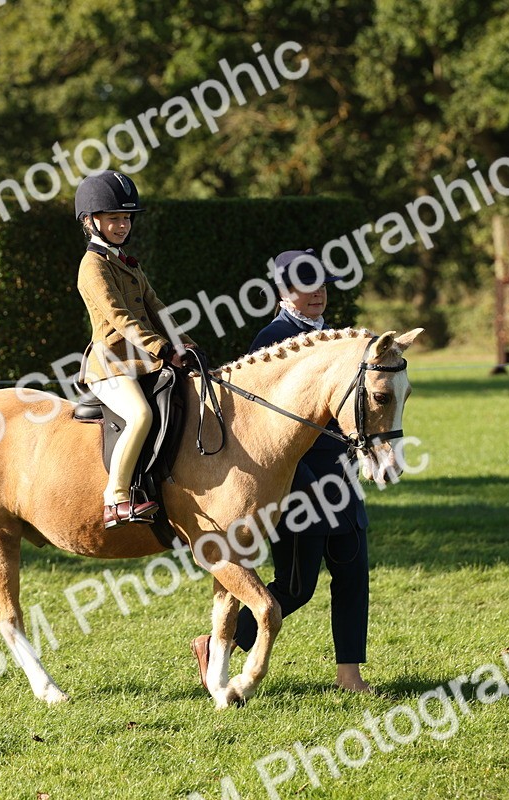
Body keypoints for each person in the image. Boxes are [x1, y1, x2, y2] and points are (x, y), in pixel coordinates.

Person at [190, 248, 373, 694]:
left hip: (341, 476)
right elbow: (265, 433)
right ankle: (218, 644)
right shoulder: (272, 340)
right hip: (296, 481)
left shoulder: (333, 341)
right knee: (297, 587)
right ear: (283, 291)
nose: (317, 294)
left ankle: (350, 675)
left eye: (323, 285)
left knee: (353, 572)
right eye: (305, 285)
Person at [74, 170, 199, 529]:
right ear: (90, 221)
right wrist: (163, 349)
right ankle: (115, 497)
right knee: (140, 416)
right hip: (110, 365)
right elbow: (119, 318)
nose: (122, 225)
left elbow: (156, 306)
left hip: (143, 360)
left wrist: (183, 341)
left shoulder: (127, 262)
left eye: (126, 218)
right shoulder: (92, 266)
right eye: (113, 217)